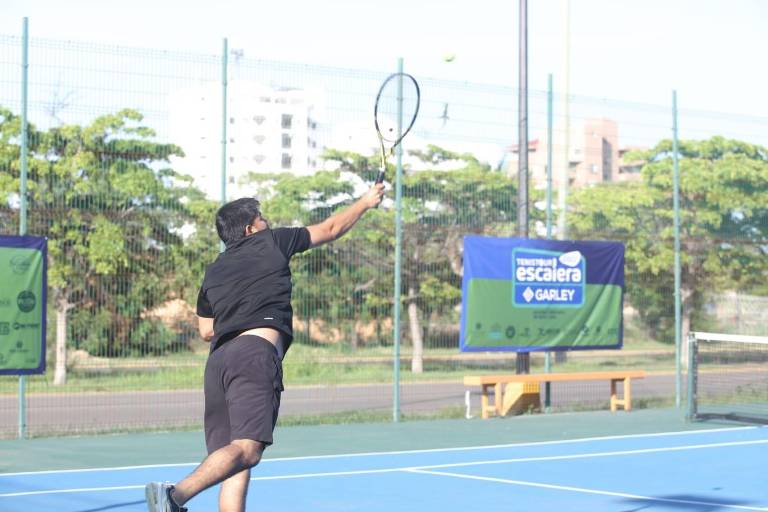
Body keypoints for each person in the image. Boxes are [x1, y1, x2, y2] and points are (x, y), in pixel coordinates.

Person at [145, 183, 384, 512]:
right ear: (250, 229)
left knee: (235, 463)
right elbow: (331, 228)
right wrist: (366, 202)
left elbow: (205, 330)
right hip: (253, 355)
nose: (267, 222)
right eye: (263, 218)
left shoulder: (214, 270)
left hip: (218, 363)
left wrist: (238, 313)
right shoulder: (271, 241)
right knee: (248, 450)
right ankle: (173, 497)